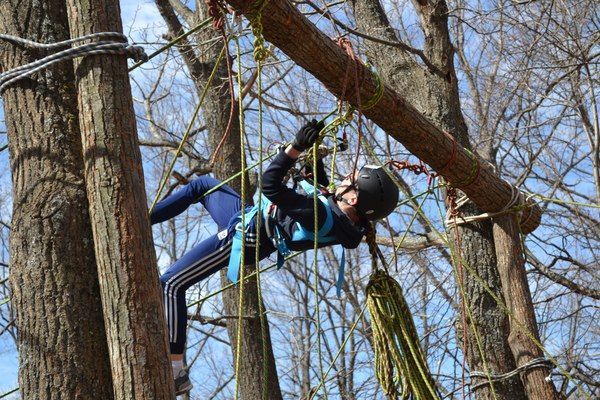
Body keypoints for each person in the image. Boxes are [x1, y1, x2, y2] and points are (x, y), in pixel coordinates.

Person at [150, 120, 399, 395]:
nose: (344, 180)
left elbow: (271, 185)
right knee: (202, 187)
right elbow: (321, 189)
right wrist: (314, 164)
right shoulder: (342, 219)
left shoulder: (320, 215)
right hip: (248, 219)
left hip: (244, 238)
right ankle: (143, 218)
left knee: (171, 283)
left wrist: (294, 149)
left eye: (349, 183)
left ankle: (175, 370)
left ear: (353, 200)